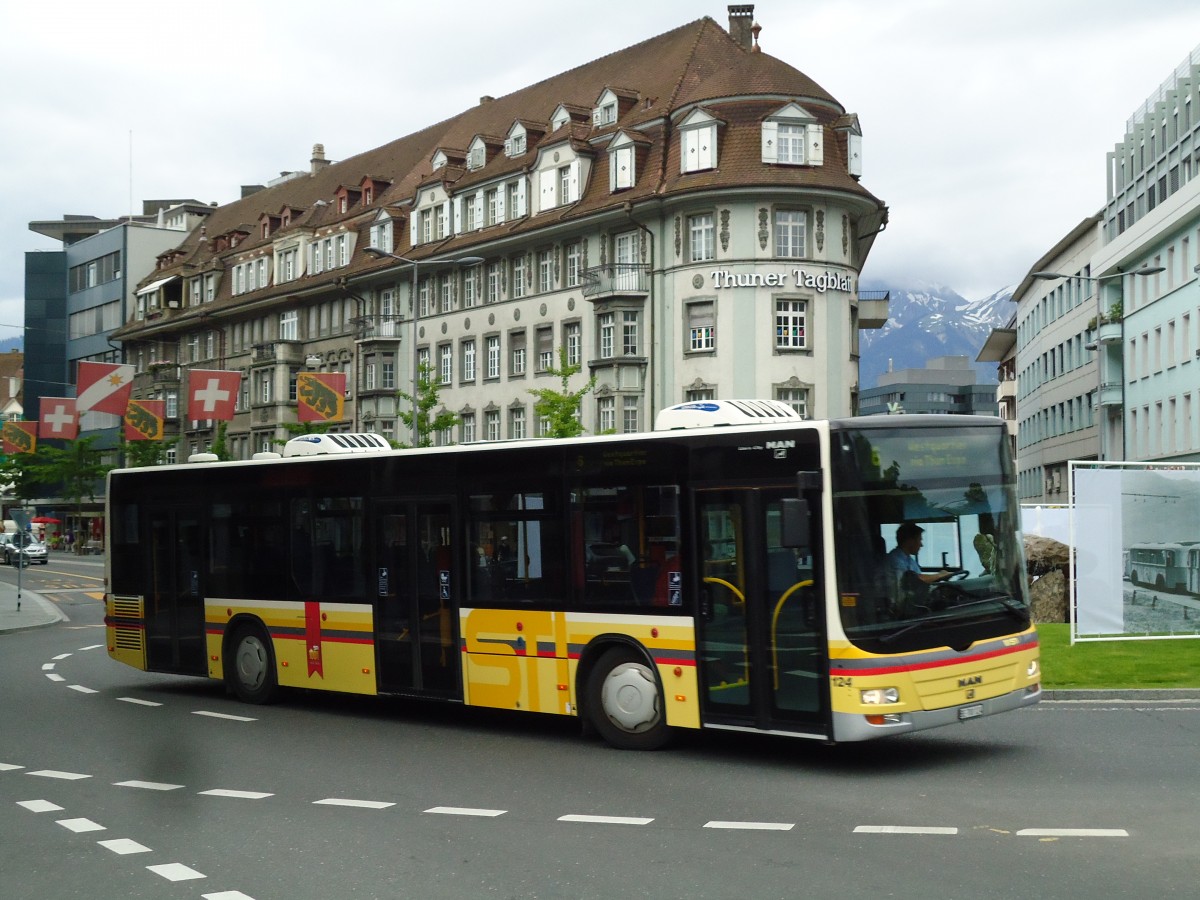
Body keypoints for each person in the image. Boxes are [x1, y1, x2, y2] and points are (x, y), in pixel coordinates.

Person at [887, 522, 953, 587]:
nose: (921, 545)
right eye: (919, 540)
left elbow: (919, 578)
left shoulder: (909, 560)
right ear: (910, 541)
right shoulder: (895, 560)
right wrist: (939, 575)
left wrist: (939, 577)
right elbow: (913, 581)